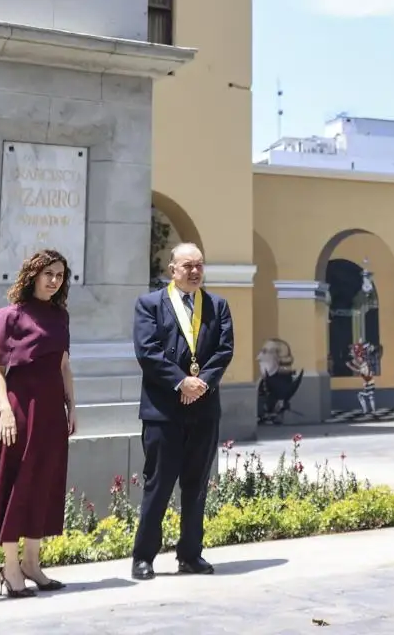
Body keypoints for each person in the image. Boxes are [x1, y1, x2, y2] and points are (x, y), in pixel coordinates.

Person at [0, 248, 75, 596]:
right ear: (34, 274)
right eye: (48, 273)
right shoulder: (14, 316)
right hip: (19, 411)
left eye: (60, 275)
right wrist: (5, 411)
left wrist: (73, 408)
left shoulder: (62, 317)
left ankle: (32, 564)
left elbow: (65, 367)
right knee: (16, 484)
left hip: (51, 411)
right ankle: (10, 567)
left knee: (44, 483)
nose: (54, 280)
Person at [130, 242, 235, 579]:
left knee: (197, 485)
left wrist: (201, 382)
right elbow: (148, 352)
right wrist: (181, 383)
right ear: (172, 269)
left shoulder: (217, 306)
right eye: (187, 265)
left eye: (199, 265)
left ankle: (190, 554)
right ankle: (143, 557)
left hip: (204, 410)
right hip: (164, 411)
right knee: (158, 485)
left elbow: (223, 350)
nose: (194, 271)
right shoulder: (150, 304)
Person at [347, 341, 378, 419]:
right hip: (369, 383)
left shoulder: (365, 365)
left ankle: (368, 411)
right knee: (369, 396)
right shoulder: (364, 364)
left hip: (369, 383)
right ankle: (372, 411)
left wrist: (350, 366)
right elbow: (358, 365)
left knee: (364, 395)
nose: (358, 359)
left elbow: (359, 369)